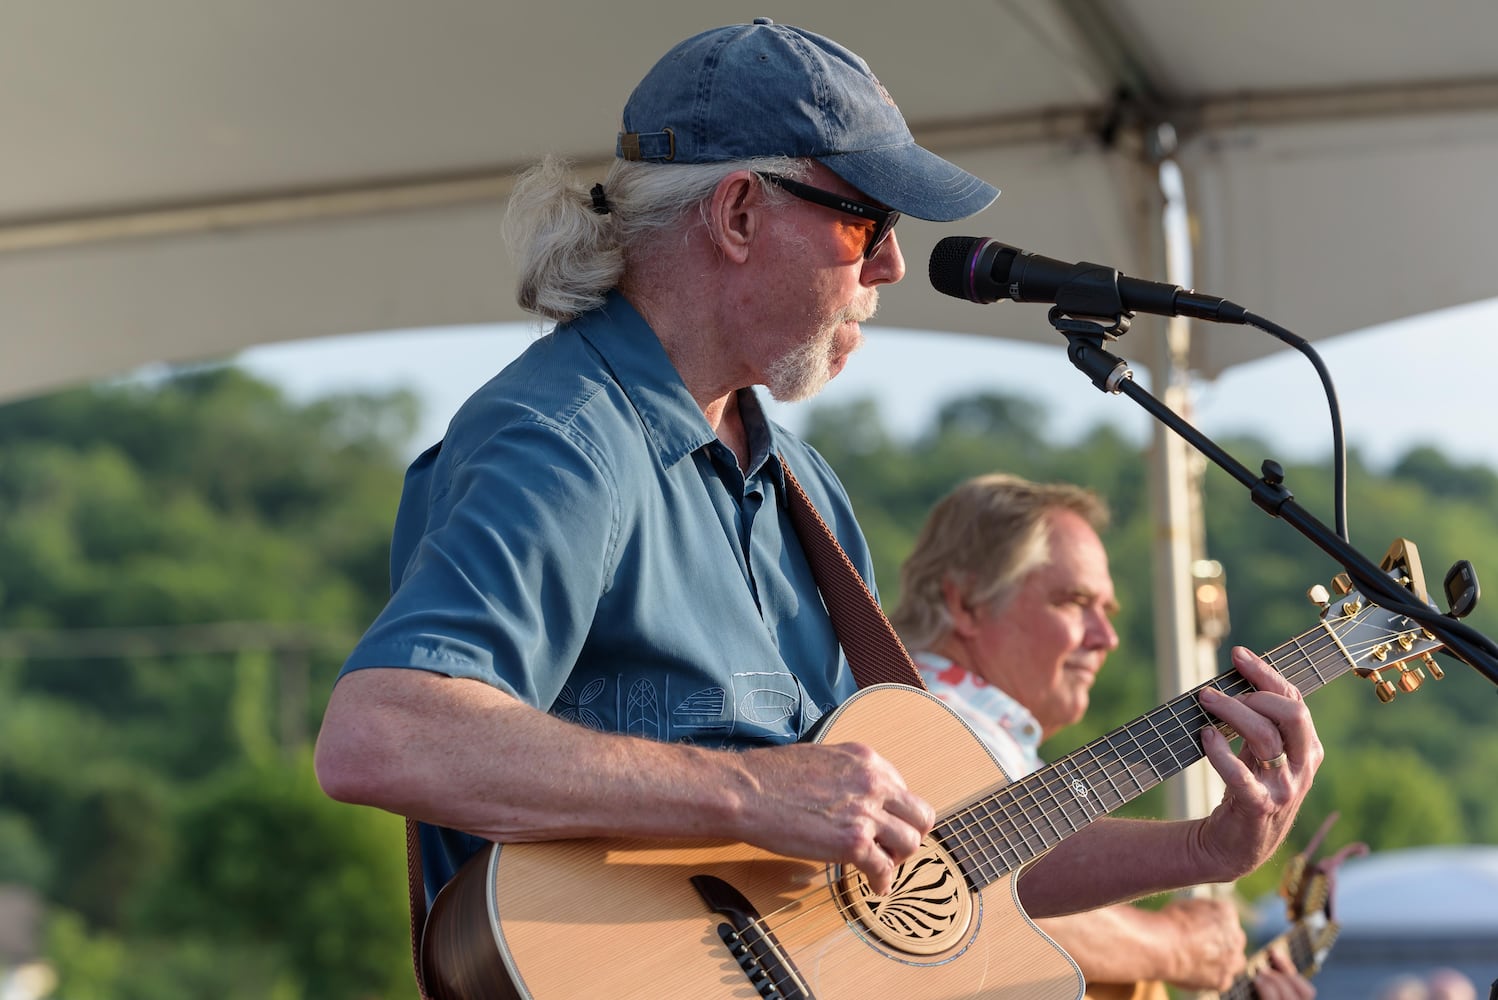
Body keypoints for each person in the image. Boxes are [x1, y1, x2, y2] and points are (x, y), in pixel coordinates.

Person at [313, 15, 1322, 986]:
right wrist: (749, 791)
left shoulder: (809, 495)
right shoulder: (568, 440)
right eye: (861, 221)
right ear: (740, 213)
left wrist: (1199, 847)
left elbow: (920, 854)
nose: (888, 263)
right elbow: (383, 733)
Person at [889, 472, 1315, 998]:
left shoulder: (986, 744)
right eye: (1073, 601)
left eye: (1106, 611)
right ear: (967, 603)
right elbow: (945, 891)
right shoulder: (921, 722)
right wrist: (1172, 942)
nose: (1106, 637)